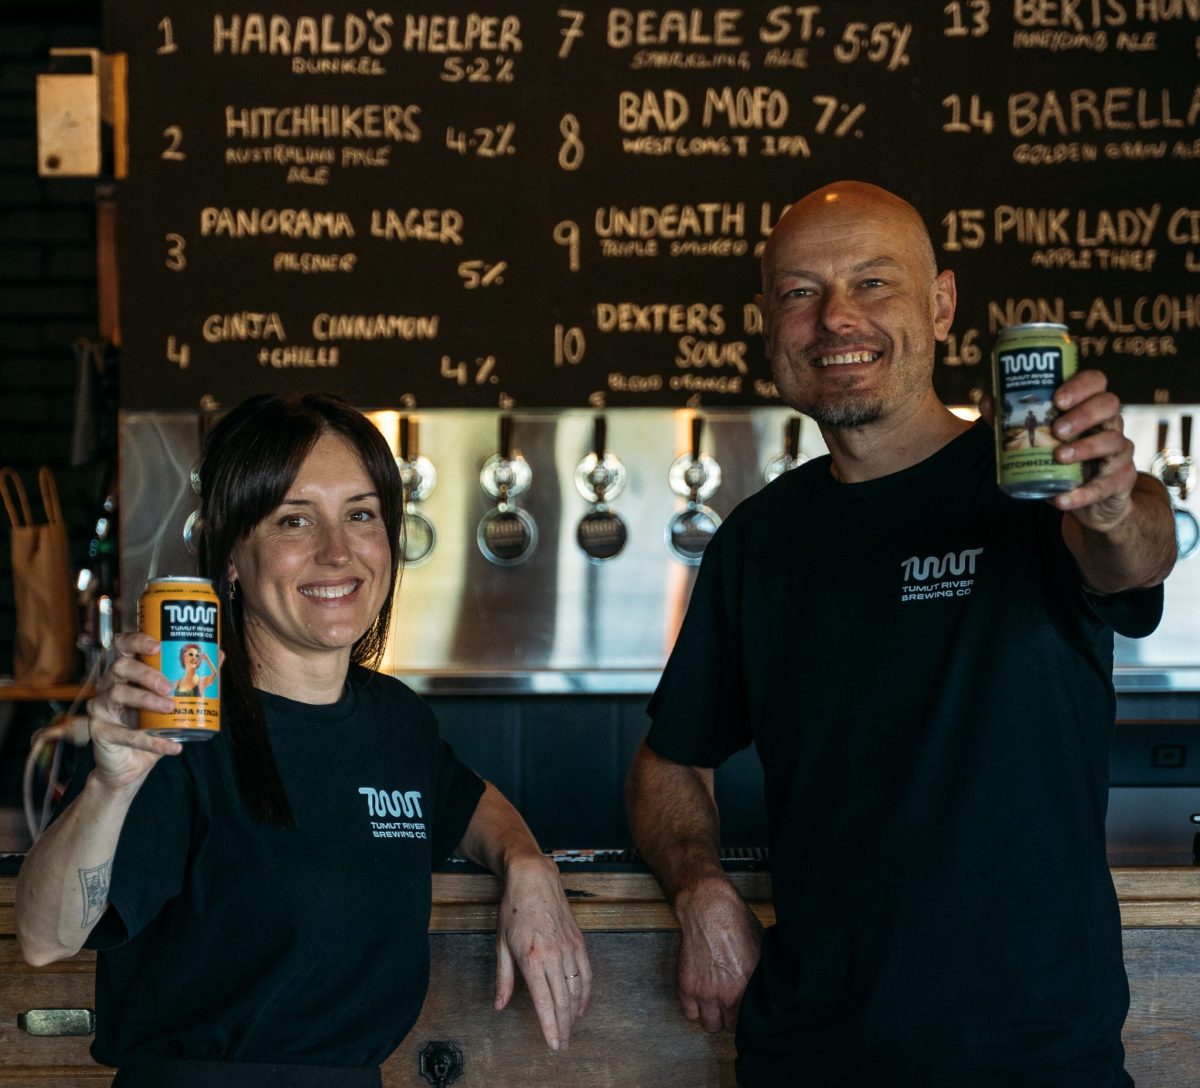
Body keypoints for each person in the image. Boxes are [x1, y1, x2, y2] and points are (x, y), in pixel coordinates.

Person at [625, 180, 1177, 1087]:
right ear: (769, 321)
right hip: (809, 1059)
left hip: (1032, 1061)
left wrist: (1115, 502)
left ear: (943, 305)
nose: (836, 318)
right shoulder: (759, 542)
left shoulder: (1035, 492)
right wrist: (698, 886)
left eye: (874, 283)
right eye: (801, 292)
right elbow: (669, 761)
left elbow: (1132, 552)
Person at [15, 392, 592, 1088]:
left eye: (360, 515)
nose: (337, 552)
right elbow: (46, 939)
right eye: (295, 519)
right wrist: (109, 785)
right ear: (231, 555)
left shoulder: (395, 720)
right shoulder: (178, 724)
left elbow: (463, 801)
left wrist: (527, 861)